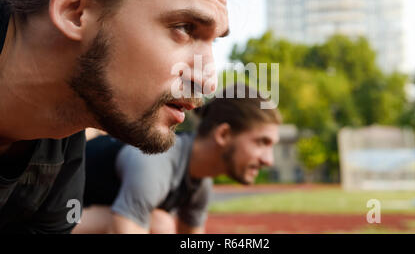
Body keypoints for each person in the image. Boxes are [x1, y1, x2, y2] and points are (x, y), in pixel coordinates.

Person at [0, 0, 234, 233]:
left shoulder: (62, 143)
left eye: (213, 42)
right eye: (185, 28)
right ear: (74, 10)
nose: (207, 82)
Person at [73, 85, 282, 234]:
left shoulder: (200, 183)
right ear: (224, 135)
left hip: (90, 216)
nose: (268, 160)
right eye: (261, 142)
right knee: (159, 224)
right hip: (49, 214)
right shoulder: (156, 162)